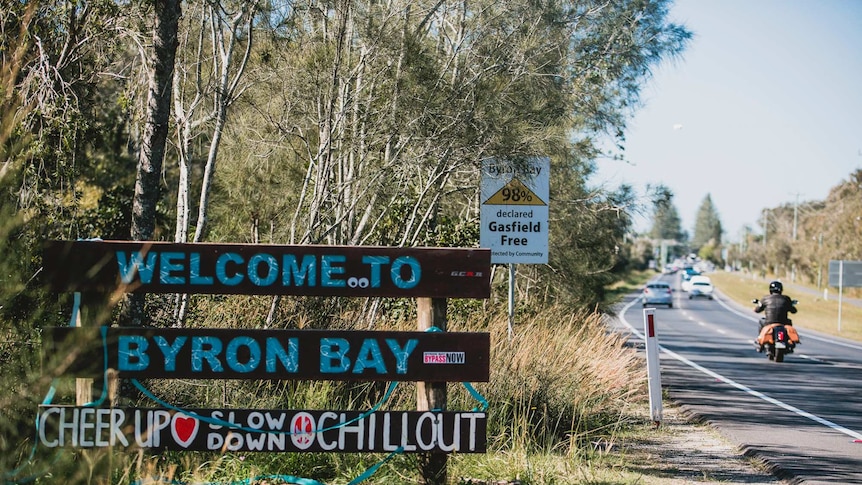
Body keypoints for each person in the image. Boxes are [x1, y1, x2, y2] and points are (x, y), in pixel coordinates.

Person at [753, 280, 797, 350]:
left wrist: (759, 305)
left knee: (761, 321)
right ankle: (789, 339)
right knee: (789, 321)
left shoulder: (766, 298)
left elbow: (757, 310)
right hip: (783, 322)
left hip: (769, 323)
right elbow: (794, 311)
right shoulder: (786, 299)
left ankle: (760, 339)